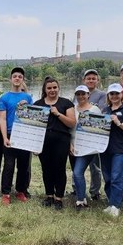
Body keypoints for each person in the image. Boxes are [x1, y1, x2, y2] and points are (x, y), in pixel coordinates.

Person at [34, 77, 76, 210]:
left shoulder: (66, 103)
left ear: (58, 88)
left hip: (61, 141)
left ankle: (59, 197)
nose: (52, 90)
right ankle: (49, 195)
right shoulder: (38, 104)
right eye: (49, 88)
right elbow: (33, 125)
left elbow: (72, 123)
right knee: (46, 168)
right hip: (43, 141)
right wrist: (33, 145)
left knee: (59, 168)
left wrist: (58, 114)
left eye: (54, 87)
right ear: (45, 90)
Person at [100, 83, 123, 217]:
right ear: (108, 96)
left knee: (117, 177)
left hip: (121, 149)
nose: (114, 96)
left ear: (122, 95)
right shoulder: (105, 110)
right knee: (108, 178)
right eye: (112, 94)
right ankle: (111, 202)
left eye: (117, 93)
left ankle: (116, 206)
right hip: (105, 149)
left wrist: (119, 123)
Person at [0, 67, 33, 205]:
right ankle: (6, 193)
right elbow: (2, 119)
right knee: (9, 165)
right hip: (10, 134)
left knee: (23, 166)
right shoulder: (4, 98)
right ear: (10, 79)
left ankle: (20, 190)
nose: (17, 78)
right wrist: (4, 137)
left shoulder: (28, 98)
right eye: (15, 76)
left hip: (24, 135)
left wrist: (27, 107)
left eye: (20, 76)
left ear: (23, 79)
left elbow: (32, 118)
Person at [72, 69, 105, 202]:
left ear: (88, 95)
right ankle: (78, 193)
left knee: (93, 168)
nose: (81, 96)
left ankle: (93, 192)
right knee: (76, 171)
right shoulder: (73, 108)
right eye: (78, 94)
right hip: (76, 144)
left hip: (90, 145)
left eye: (83, 94)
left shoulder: (96, 106)